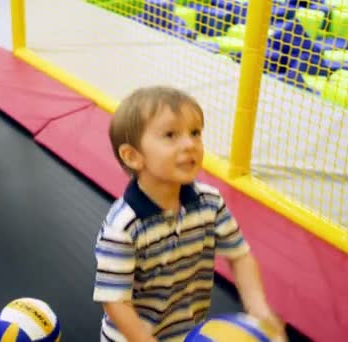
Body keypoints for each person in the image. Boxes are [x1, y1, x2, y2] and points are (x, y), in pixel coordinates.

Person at [92, 85, 286, 342]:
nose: (189, 144)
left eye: (195, 133)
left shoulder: (209, 202)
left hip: (188, 333)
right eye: (171, 135)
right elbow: (115, 302)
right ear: (133, 156)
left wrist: (257, 307)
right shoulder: (123, 227)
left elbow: (240, 256)